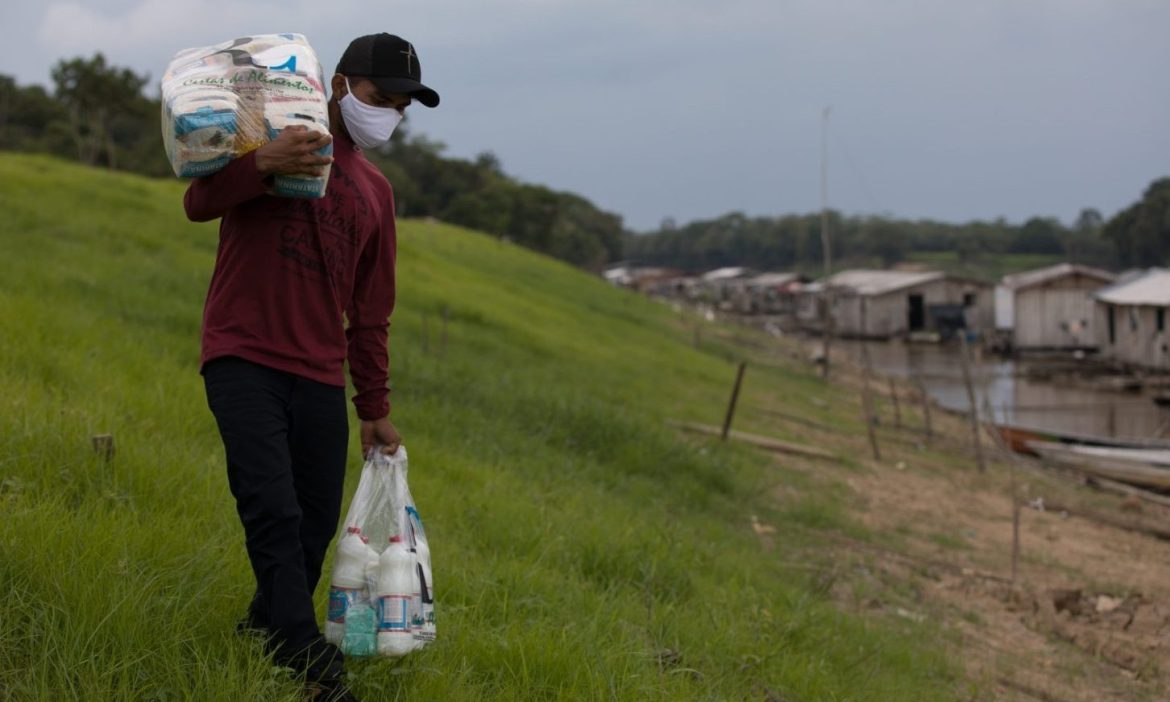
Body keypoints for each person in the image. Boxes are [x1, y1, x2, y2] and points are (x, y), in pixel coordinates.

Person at [183, 33, 439, 701]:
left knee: (315, 521)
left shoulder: (377, 193)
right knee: (272, 508)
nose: (390, 115)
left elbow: (372, 311)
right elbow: (198, 203)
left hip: (322, 373)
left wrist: (375, 409)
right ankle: (310, 660)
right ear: (338, 84)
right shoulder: (272, 140)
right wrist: (261, 160)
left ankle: (264, 624)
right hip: (244, 354)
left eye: (402, 108)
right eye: (382, 99)